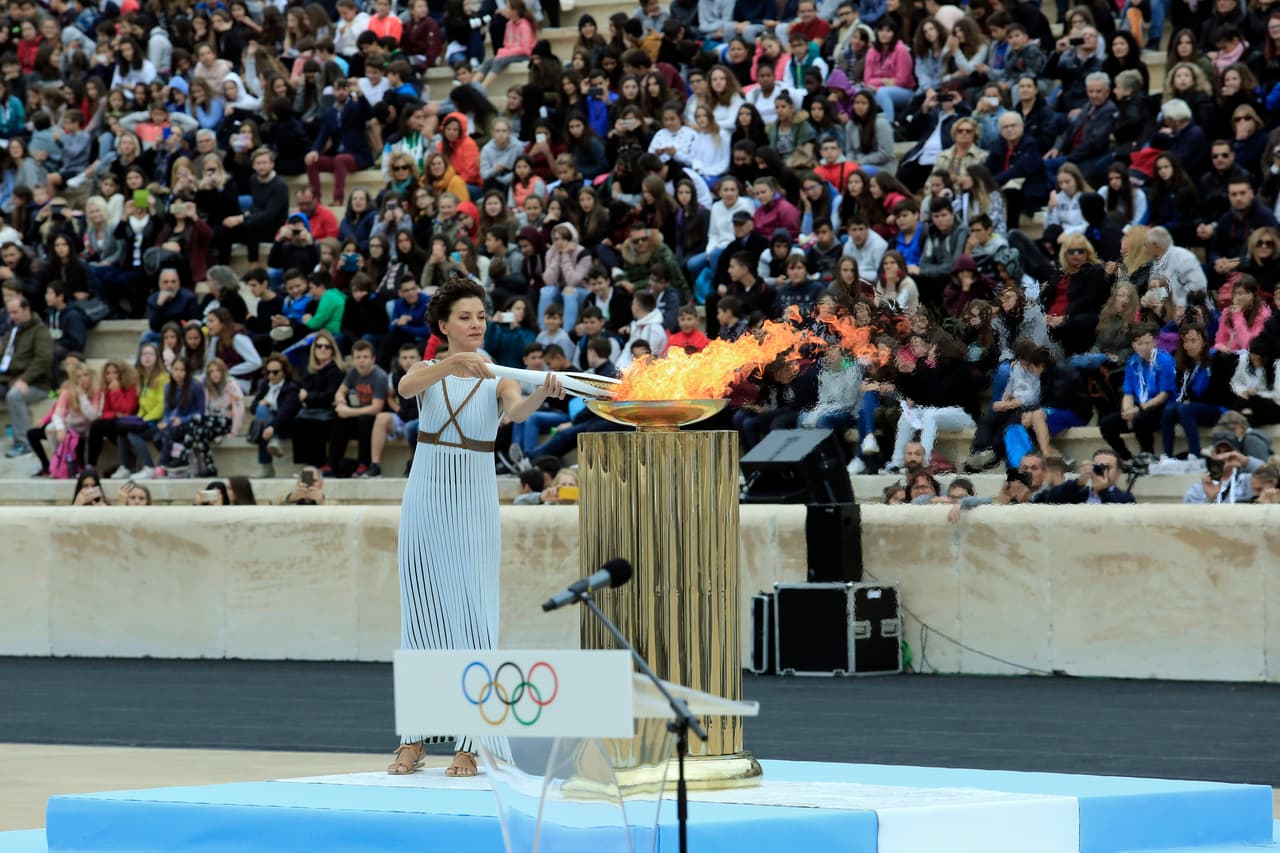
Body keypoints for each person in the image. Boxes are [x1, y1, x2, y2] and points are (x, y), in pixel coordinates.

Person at [390, 275, 565, 779]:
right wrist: (449, 363)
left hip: (472, 501)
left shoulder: (499, 374)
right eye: (464, 317)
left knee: (474, 616)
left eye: (481, 317)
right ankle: (414, 739)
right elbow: (405, 388)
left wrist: (540, 394)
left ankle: (472, 742)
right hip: (426, 497)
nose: (475, 324)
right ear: (444, 325)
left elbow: (516, 410)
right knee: (420, 616)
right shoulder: (429, 369)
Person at [1100, 323, 1176, 466]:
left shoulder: (1164, 360)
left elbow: (1164, 394)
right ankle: (1126, 458)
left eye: (1148, 343)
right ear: (1133, 344)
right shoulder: (1132, 361)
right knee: (1107, 424)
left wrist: (1140, 409)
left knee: (1141, 419)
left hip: (1161, 406)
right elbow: (1128, 392)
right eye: (1139, 343)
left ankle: (1147, 455)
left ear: (1154, 342)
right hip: (1140, 404)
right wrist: (1127, 410)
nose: (1144, 347)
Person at [1, 295, 53, 458]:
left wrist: (25, 379)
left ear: (26, 309)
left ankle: (23, 443)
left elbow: (43, 360)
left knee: (14, 396)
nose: (12, 316)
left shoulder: (40, 331)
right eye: (10, 313)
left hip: (36, 383)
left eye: (15, 312)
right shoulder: (12, 332)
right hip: (8, 379)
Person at [328, 340, 388, 476]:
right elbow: (340, 392)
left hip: (374, 419)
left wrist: (349, 412)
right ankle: (332, 463)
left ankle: (364, 464)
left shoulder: (380, 376)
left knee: (364, 420)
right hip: (358, 413)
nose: (362, 361)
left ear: (373, 359)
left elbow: (376, 408)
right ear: (353, 360)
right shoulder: (353, 372)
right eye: (358, 357)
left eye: (365, 357)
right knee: (340, 420)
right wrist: (341, 400)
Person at [1042, 448, 1137, 503]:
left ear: (1118, 473)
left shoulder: (1126, 498)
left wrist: (1102, 491)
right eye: (1098, 466)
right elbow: (1051, 499)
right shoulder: (1079, 493)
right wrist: (1078, 483)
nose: (1102, 470)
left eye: (1107, 467)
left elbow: (1117, 515)